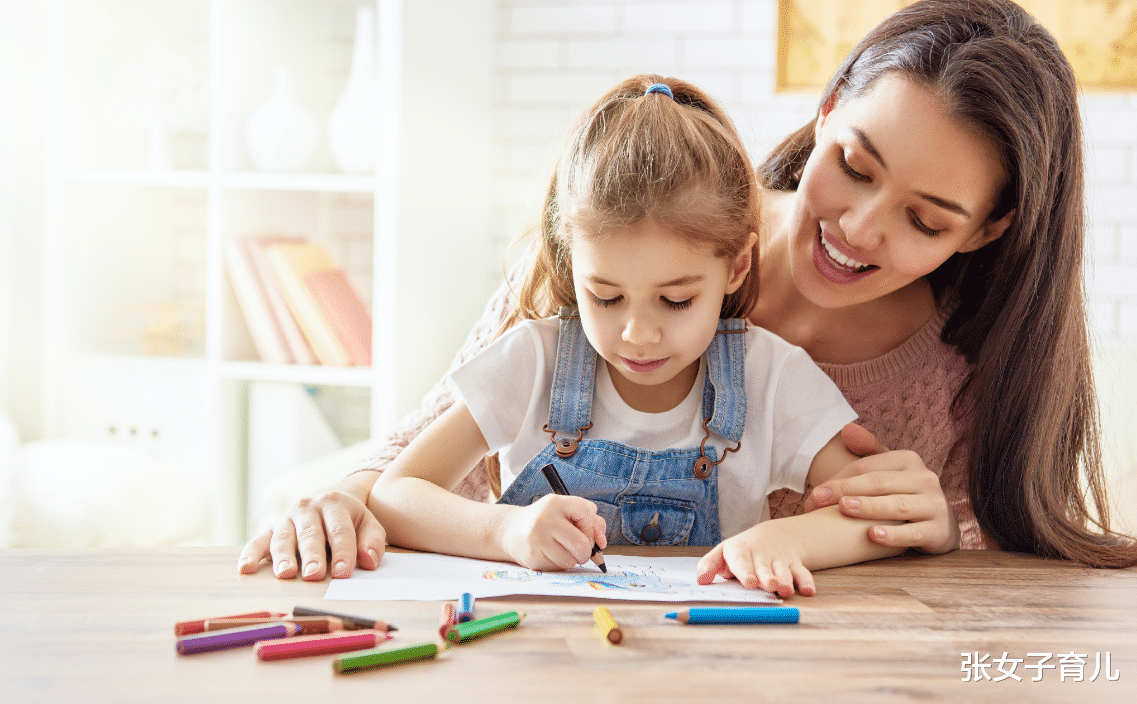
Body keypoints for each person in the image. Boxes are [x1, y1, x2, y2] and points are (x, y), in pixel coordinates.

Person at [239, 0, 1137, 582]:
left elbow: (972, 579)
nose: (861, 227)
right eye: (853, 165)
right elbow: (419, 456)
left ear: (986, 230)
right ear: (824, 112)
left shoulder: (963, 369)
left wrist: (935, 530)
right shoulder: (642, 224)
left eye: (925, 221)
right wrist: (347, 496)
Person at [365, 75, 902, 596]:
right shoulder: (535, 361)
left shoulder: (770, 377)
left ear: (736, 267)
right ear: (571, 264)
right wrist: (504, 530)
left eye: (676, 300)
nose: (638, 334)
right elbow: (395, 494)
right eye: (605, 296)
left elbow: (875, 517)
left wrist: (788, 537)